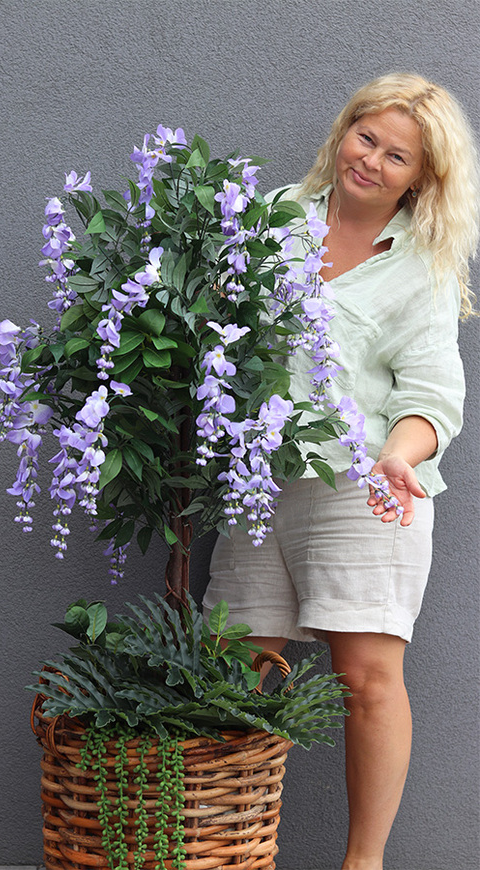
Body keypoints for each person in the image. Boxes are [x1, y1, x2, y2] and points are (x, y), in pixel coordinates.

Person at [202, 73, 479, 870]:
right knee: (237, 672)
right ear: (344, 131)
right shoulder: (267, 221)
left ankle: (364, 864)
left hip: (366, 487)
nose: (373, 161)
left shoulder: (422, 265)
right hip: (260, 484)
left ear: (421, 177)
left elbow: (432, 394)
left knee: (368, 681)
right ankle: (231, 850)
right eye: (368, 138)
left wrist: (401, 453)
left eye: (399, 156)